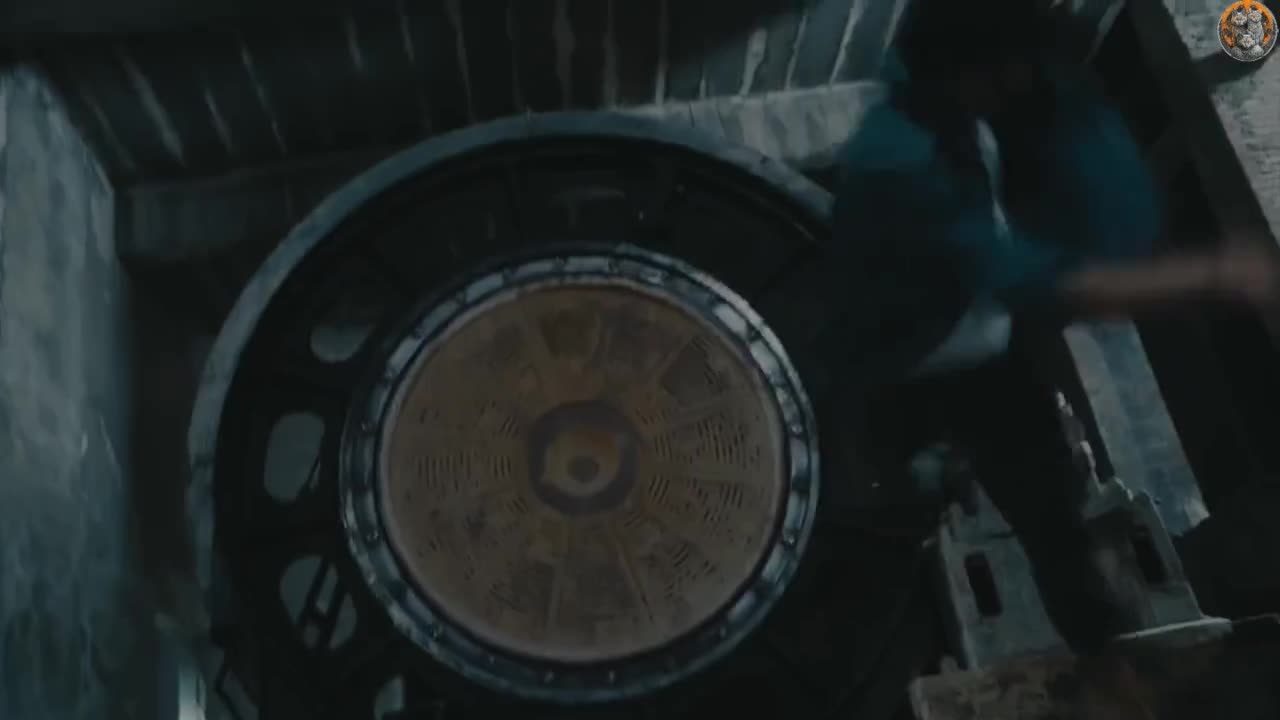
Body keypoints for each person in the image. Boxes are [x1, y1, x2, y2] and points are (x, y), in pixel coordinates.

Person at [828, 0, 1279, 674]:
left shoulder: (950, 105)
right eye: (1011, 71)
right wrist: (1215, 273)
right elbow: (1036, 284)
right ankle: (1106, 647)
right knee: (1032, 505)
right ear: (967, 70)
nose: (1022, 84)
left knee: (1035, 481)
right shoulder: (902, 164)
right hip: (932, 362)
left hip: (970, 335)